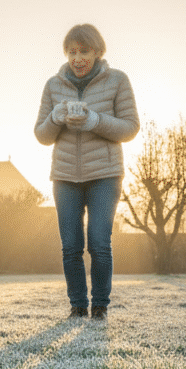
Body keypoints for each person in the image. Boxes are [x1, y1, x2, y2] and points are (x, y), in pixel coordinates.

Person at [34, 23, 139, 321]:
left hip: (104, 175)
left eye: (84, 51)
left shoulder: (118, 80)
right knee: (70, 247)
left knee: (99, 243)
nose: (77, 58)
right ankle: (77, 307)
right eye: (71, 52)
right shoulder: (53, 85)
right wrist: (55, 118)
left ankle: (100, 307)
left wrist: (94, 120)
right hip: (65, 176)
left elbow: (130, 127)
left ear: (97, 52)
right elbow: (41, 135)